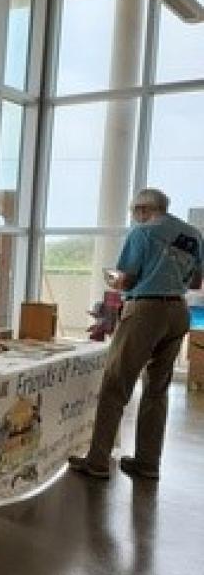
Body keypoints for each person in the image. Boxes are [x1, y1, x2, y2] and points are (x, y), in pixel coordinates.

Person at [69, 188, 203, 480]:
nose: (134, 216)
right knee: (157, 389)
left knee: (116, 383)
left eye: (134, 211)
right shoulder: (193, 235)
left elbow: (127, 277)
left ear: (143, 209)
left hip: (145, 310)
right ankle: (148, 462)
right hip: (179, 311)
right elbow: (195, 281)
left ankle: (98, 460)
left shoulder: (142, 232)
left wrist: (115, 282)